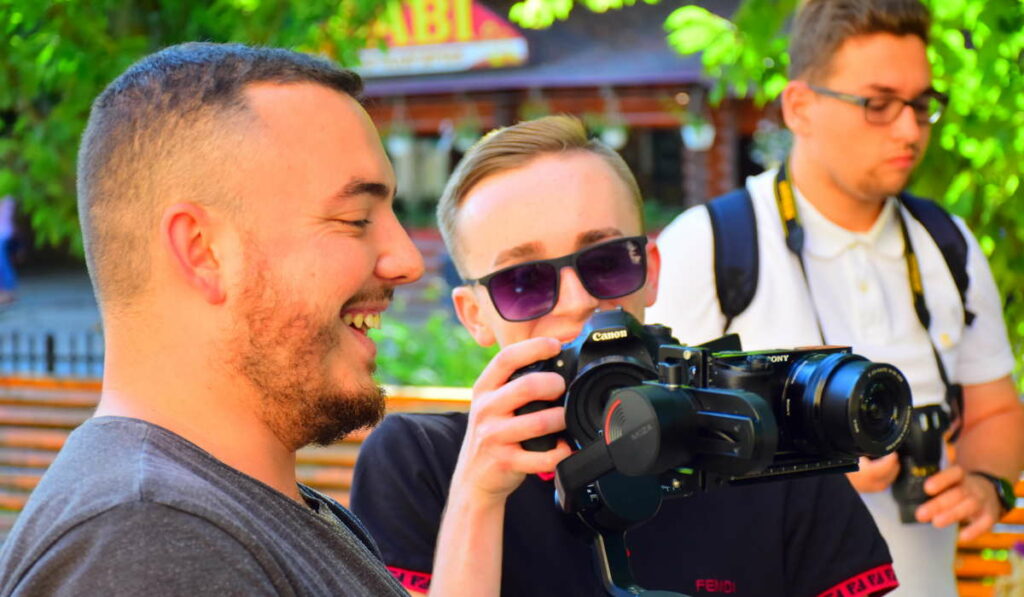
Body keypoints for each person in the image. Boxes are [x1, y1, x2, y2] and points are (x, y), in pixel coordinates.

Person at [351, 115, 899, 597]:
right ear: (474, 315)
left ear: (650, 270)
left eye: (606, 262)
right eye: (524, 282)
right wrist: (477, 497)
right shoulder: (421, 461)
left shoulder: (765, 435)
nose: (577, 302)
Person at [0, 43, 424, 595]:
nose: (408, 260)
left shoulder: (222, 513)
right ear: (203, 251)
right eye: (355, 218)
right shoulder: (151, 542)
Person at [648, 1, 1024, 595]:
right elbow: (646, 448)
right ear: (800, 106)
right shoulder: (707, 247)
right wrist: (803, 473)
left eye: (921, 103)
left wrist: (985, 483)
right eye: (878, 103)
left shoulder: (947, 244)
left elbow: (996, 411)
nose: (910, 130)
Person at [0, 195, 17, 305]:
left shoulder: (6, 195)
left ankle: (7, 293)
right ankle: (6, 292)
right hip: (4, 232)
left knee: (2, 263)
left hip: (2, 232)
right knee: (3, 262)